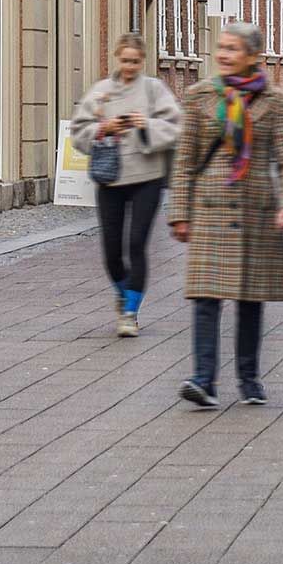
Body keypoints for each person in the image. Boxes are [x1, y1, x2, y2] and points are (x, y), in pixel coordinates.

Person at [170, 23, 283, 407]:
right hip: (209, 208)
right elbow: (184, 161)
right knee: (206, 297)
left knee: (250, 297)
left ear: (253, 57)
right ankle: (203, 379)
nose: (223, 55)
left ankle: (249, 377)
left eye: (232, 49)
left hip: (257, 210)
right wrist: (179, 213)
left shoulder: (274, 102)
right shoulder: (198, 97)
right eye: (220, 48)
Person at [71, 33, 183, 338]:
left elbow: (176, 126)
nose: (130, 66)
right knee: (110, 250)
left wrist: (145, 124)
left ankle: (131, 313)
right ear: (117, 59)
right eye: (125, 60)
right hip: (111, 177)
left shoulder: (154, 90)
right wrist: (104, 127)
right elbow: (78, 130)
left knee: (136, 243)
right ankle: (123, 292)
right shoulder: (101, 91)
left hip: (148, 175)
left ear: (142, 61)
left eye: (135, 61)